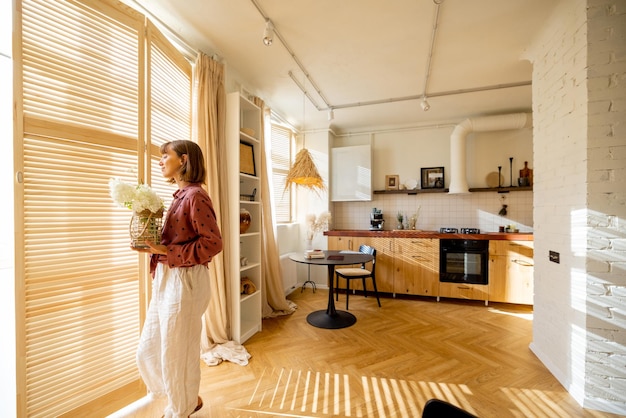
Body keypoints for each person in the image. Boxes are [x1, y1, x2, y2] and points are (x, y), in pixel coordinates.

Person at [133, 140, 223, 417]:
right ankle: (185, 397)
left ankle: (181, 407)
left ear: (183, 160)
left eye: (165, 156)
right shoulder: (179, 196)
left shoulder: (196, 196)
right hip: (168, 277)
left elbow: (213, 243)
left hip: (185, 280)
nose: (160, 161)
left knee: (176, 350)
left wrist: (166, 250)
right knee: (151, 348)